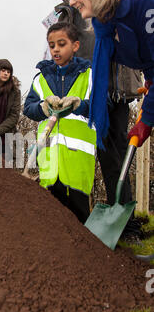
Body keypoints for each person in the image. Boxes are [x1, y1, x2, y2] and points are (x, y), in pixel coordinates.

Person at [53, 0, 143, 243]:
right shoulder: (65, 11)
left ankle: (125, 219)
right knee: (85, 153)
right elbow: (56, 47)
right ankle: (72, 215)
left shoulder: (121, 7)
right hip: (83, 91)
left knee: (116, 149)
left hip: (113, 88)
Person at [24, 22, 96, 224]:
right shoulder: (41, 78)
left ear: (75, 46)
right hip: (48, 159)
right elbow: (28, 108)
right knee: (51, 219)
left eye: (61, 44)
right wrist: (43, 107)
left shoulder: (89, 75)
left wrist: (79, 105)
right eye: (52, 45)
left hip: (77, 159)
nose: (55, 49)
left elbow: (100, 107)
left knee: (78, 215)